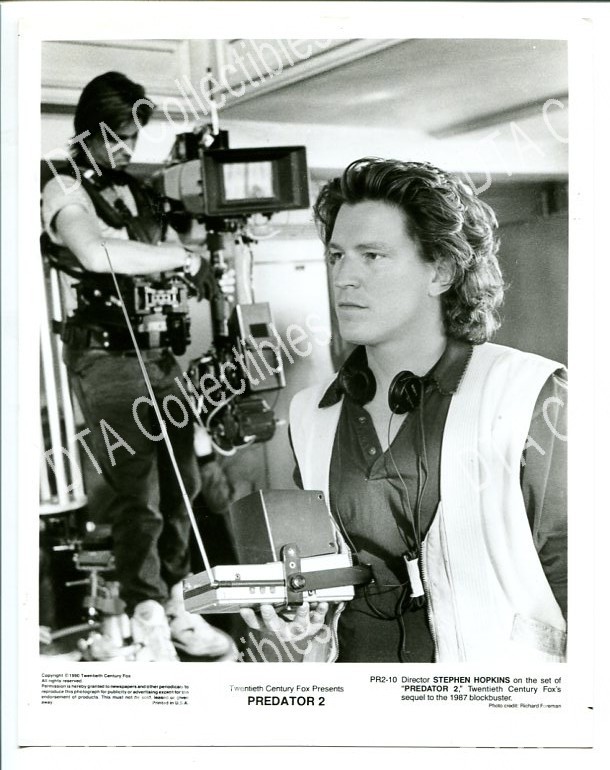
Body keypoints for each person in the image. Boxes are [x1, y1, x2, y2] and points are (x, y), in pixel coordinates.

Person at [241, 157, 567, 663]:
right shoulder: (310, 414)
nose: (344, 277)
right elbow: (327, 578)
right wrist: (305, 619)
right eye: (336, 256)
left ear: (440, 271)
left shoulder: (528, 393)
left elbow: (575, 574)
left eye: (372, 255)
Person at [41, 71, 235, 661]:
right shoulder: (63, 186)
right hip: (106, 358)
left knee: (186, 483)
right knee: (141, 493)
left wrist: (199, 249)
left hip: (158, 356)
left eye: (133, 139)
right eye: (118, 138)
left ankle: (175, 603)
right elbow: (94, 250)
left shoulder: (138, 192)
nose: (128, 149)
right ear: (89, 131)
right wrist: (180, 255)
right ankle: (144, 613)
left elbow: (181, 239)